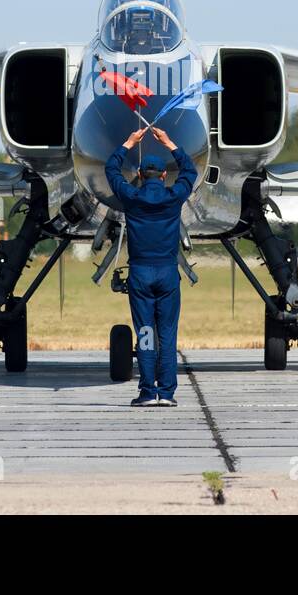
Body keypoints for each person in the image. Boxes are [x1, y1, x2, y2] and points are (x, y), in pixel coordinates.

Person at [104, 125, 198, 406]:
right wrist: (170, 144)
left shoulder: (132, 198)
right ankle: (167, 393)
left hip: (141, 274)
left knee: (145, 332)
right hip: (168, 273)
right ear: (164, 175)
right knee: (167, 334)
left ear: (140, 176)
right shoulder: (173, 197)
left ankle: (147, 392)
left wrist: (128, 143)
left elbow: (111, 171)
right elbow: (190, 172)